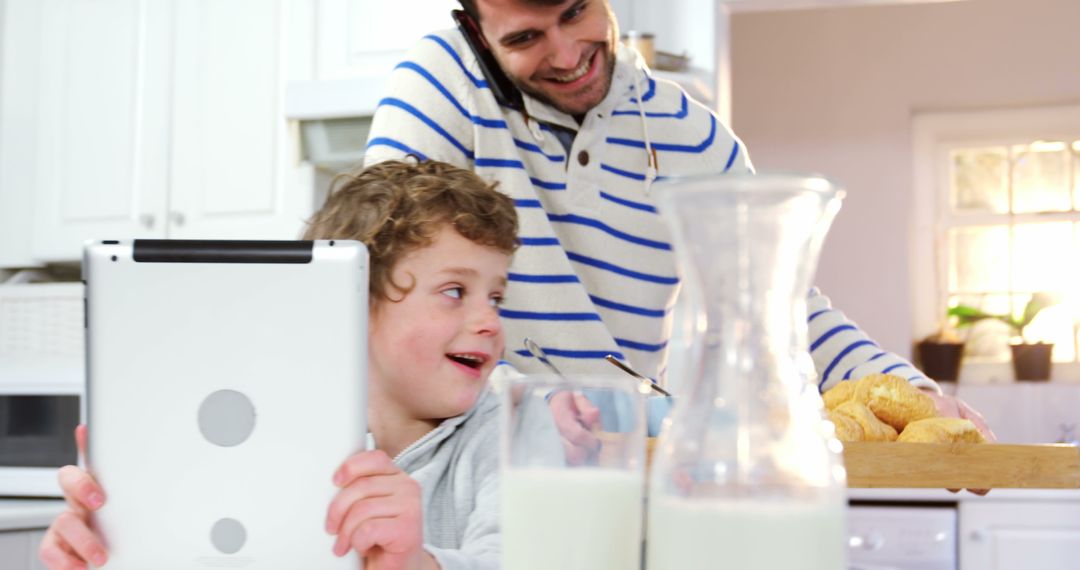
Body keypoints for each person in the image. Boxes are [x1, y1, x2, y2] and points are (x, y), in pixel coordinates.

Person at [362, 0, 993, 443]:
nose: (565, 54)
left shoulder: (695, 140)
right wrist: (526, 407)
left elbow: (777, 306)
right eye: (524, 38)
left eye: (575, 11)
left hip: (624, 458)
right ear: (476, 31)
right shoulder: (440, 84)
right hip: (472, 460)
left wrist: (911, 395)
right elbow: (390, 282)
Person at [38, 159, 519, 570]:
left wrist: (416, 563)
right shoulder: (264, 433)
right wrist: (106, 551)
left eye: (495, 296)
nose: (489, 321)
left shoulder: (512, 433)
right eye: (455, 291)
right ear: (349, 306)